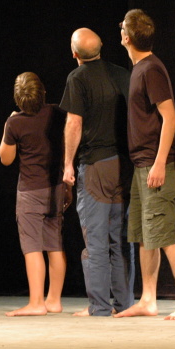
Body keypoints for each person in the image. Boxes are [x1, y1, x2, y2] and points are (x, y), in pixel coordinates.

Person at [113, 9, 175, 320]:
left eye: (122, 27)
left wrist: (160, 163)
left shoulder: (151, 69)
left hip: (155, 163)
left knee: (163, 234)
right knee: (145, 234)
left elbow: (170, 117)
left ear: (126, 37)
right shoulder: (140, 68)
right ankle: (148, 299)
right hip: (141, 164)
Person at [60, 28, 134, 317]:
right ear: (101, 46)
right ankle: (124, 304)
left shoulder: (77, 78)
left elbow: (74, 123)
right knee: (119, 238)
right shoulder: (122, 74)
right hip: (123, 165)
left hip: (96, 166)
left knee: (96, 239)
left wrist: (68, 163)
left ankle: (100, 306)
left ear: (74, 54)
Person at [0, 72, 69, 317]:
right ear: (43, 92)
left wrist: (8, 124)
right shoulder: (58, 113)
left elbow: (5, 158)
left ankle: (37, 302)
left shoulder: (15, 122)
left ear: (18, 100)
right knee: (54, 243)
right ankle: (54, 300)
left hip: (30, 191)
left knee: (32, 247)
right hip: (56, 187)